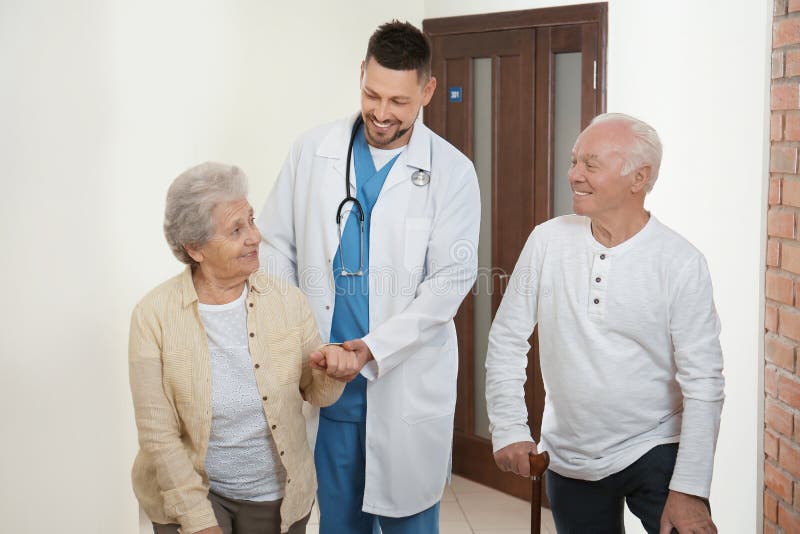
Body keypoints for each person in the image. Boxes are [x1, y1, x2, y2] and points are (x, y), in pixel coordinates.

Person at [256, 20, 480, 534]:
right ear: (361, 74)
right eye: (372, 93)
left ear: (426, 90)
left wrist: (372, 348)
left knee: (410, 521)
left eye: (399, 102)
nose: (381, 113)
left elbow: (449, 282)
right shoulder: (312, 151)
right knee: (338, 523)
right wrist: (298, 331)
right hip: (327, 383)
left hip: (401, 380)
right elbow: (274, 244)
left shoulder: (452, 172)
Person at [485, 113, 724, 534]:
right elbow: (507, 339)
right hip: (570, 452)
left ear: (639, 177)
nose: (573, 174)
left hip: (654, 445)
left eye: (590, 165)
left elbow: (704, 383)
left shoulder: (681, 263)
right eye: (575, 161)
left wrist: (689, 489)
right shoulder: (547, 240)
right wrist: (508, 428)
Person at [129, 162, 354, 534]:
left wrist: (333, 371)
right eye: (236, 230)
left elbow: (318, 394)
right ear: (195, 249)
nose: (255, 237)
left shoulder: (287, 301)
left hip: (275, 496)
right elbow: (158, 432)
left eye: (251, 220)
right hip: (191, 495)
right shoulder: (153, 316)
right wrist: (198, 521)